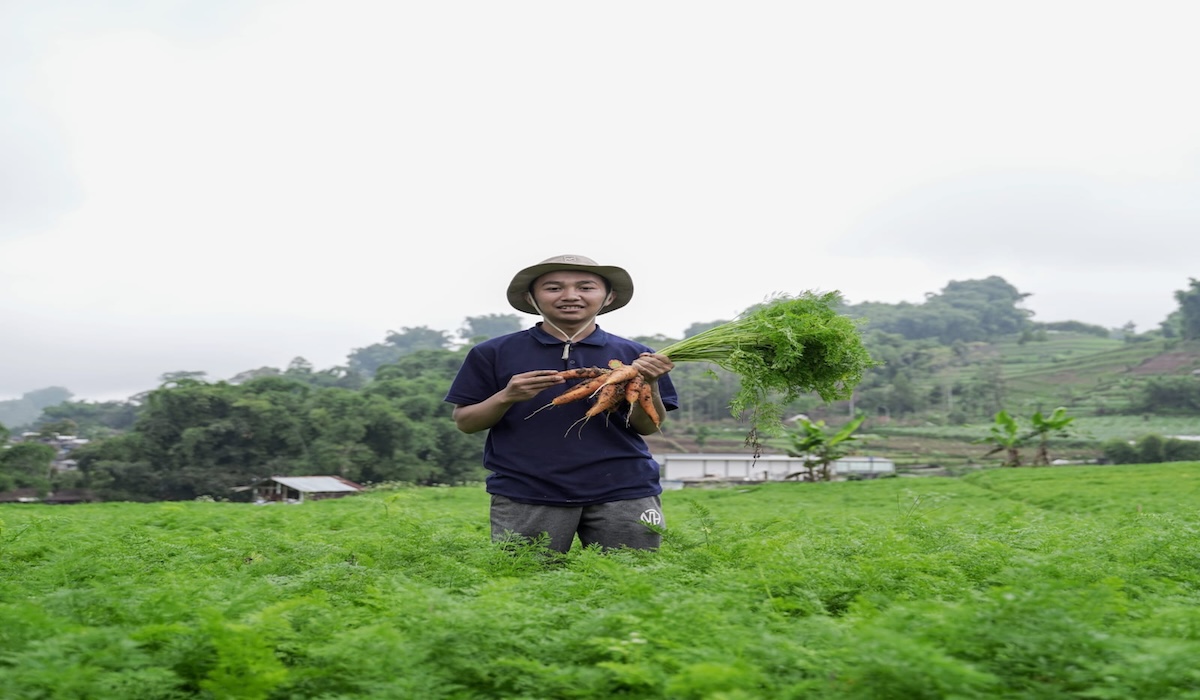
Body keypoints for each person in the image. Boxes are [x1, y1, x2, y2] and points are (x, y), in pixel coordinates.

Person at [445, 254, 679, 553]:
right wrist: (507, 396)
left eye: (586, 287)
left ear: (609, 297)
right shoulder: (493, 352)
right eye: (554, 288)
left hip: (624, 489)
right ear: (532, 297)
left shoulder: (637, 355)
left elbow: (648, 427)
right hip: (527, 491)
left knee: (633, 582)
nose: (570, 296)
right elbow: (466, 422)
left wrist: (650, 383)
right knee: (527, 586)